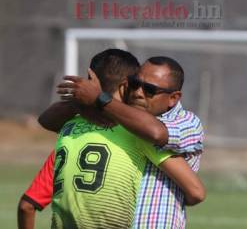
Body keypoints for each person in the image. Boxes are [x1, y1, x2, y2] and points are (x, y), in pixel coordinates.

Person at [18, 50, 205, 229]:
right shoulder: (121, 121)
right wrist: (83, 101)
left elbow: (157, 133)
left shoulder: (188, 122)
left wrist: (99, 98)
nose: (138, 92)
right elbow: (47, 120)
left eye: (149, 89)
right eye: (135, 83)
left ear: (173, 98)